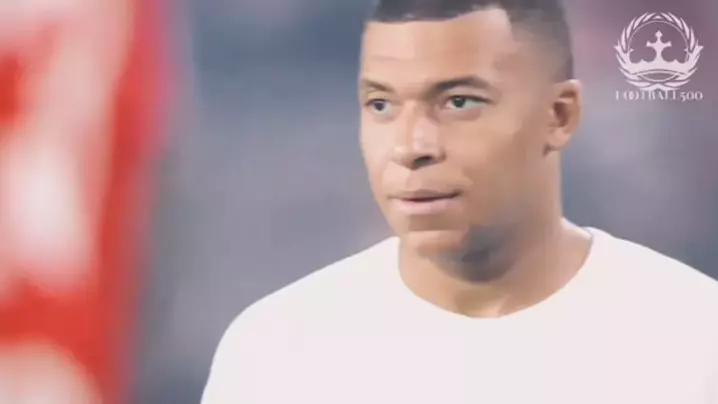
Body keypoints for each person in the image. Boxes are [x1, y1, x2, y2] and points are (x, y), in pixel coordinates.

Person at [201, 1, 718, 403]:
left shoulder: (693, 338)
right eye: (381, 105)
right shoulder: (275, 353)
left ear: (559, 116)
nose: (411, 146)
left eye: (458, 102)